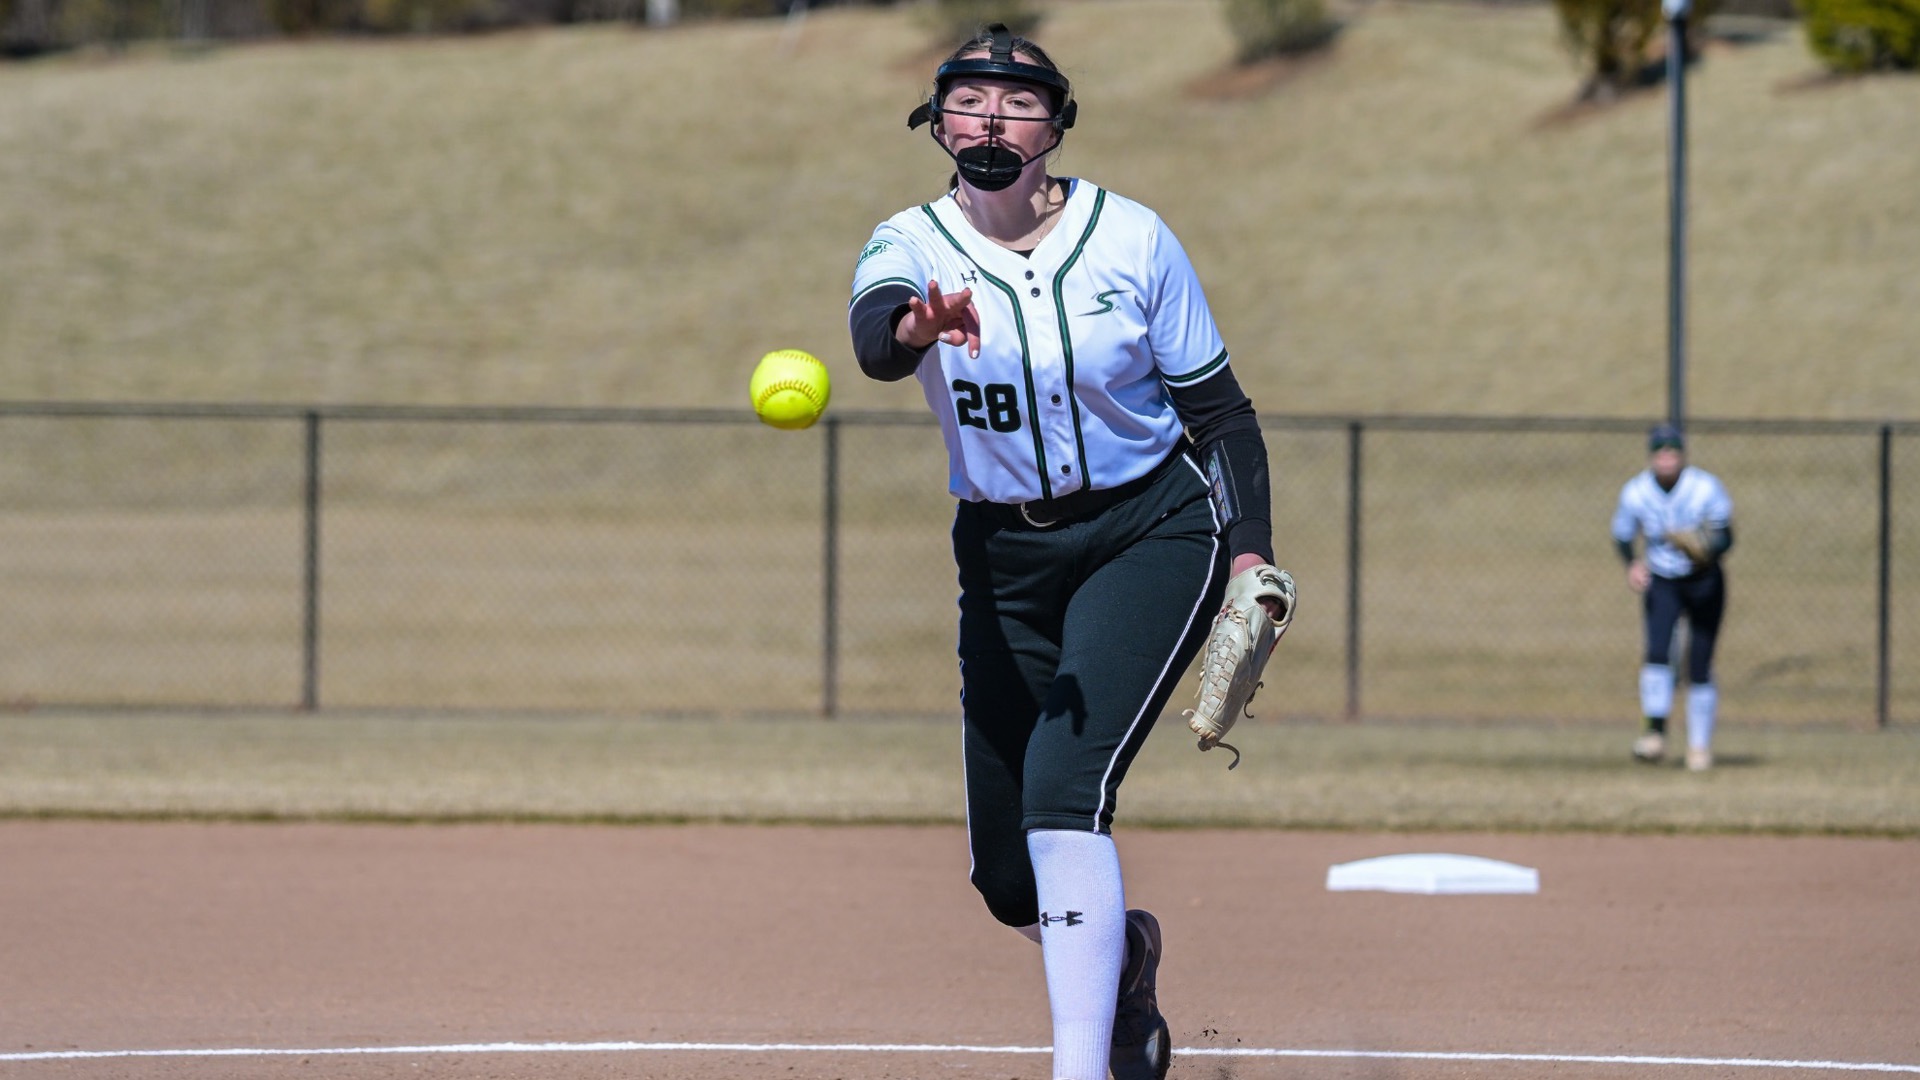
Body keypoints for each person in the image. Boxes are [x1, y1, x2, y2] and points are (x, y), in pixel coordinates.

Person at [846, 24, 1285, 1080]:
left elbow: (1220, 416)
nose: (992, 120)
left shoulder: (1130, 239)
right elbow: (872, 339)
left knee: (1063, 792)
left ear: (1059, 124)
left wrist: (1250, 556)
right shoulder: (909, 241)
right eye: (969, 100)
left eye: (1019, 102)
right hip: (1002, 558)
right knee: (1009, 876)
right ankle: (1122, 960)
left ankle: (1081, 1068)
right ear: (936, 118)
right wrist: (913, 330)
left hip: (1149, 531)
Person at [1611, 423, 1734, 771]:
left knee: (1698, 665)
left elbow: (1726, 536)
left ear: (1681, 455)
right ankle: (1655, 734)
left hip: (1704, 581)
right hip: (1663, 580)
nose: (1666, 459)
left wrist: (1706, 549)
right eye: (1660, 452)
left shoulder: (1704, 487)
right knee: (1657, 654)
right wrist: (1632, 563)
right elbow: (1622, 535)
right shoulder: (1636, 491)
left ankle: (1699, 747)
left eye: (1672, 452)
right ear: (1652, 457)